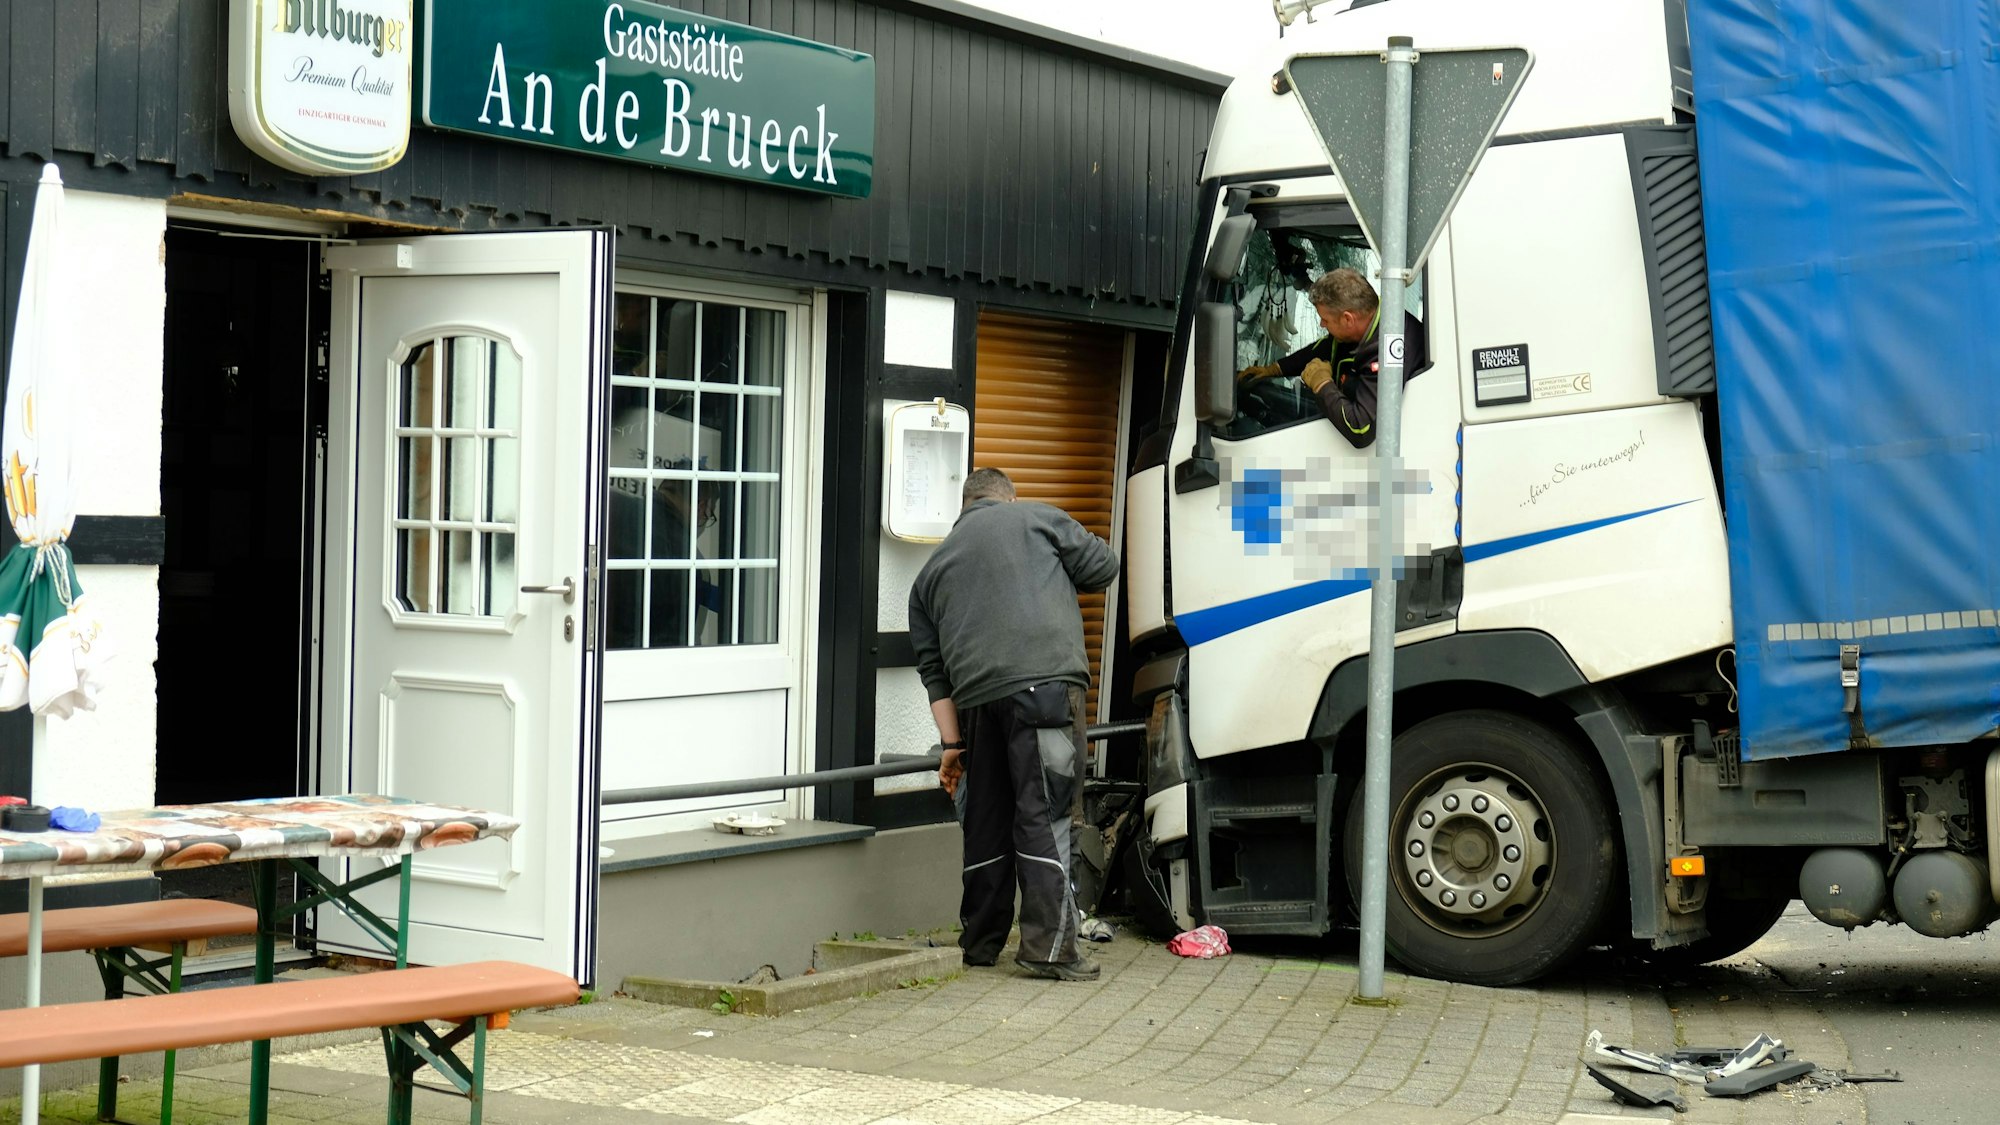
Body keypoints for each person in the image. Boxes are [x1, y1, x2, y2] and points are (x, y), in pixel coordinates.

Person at [908, 468, 1119, 981]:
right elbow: (1104, 566)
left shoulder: (929, 573)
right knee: (1045, 814)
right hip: (1046, 693)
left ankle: (980, 943)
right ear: (1009, 498)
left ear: (964, 507)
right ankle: (1050, 951)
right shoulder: (1038, 519)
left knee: (987, 820)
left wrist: (952, 745)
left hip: (976, 706)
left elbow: (934, 673)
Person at [1236, 266, 1428, 448]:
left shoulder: (1389, 352)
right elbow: (1328, 346)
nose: (1321, 324)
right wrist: (1276, 369)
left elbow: (1361, 430)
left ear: (1348, 319)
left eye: (1325, 320)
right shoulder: (1369, 315)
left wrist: (1322, 384)